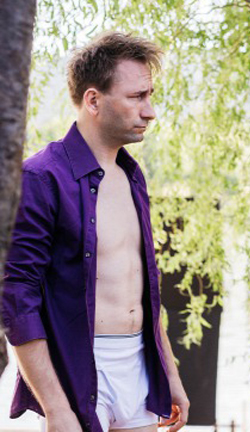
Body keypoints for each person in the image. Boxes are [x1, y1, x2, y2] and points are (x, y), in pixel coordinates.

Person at [2, 32, 189, 432]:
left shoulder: (133, 176)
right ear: (93, 100)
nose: (151, 111)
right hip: (78, 372)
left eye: (150, 96)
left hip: (139, 367)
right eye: (137, 97)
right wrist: (56, 408)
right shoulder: (41, 178)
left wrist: (170, 375)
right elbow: (16, 299)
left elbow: (146, 287)